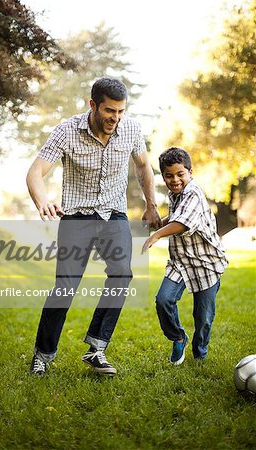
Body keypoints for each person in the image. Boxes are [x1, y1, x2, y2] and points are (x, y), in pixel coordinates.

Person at [27, 77, 161, 376]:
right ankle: (43, 354)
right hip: (76, 216)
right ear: (93, 105)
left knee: (122, 274)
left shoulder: (131, 129)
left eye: (120, 111)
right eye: (109, 111)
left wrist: (151, 203)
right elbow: (36, 172)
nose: (115, 118)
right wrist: (43, 202)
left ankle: (96, 349)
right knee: (65, 288)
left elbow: (142, 166)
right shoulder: (67, 131)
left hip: (113, 214)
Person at [142, 147, 228, 365]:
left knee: (203, 317)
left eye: (180, 174)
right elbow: (175, 216)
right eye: (169, 175)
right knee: (163, 300)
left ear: (191, 172)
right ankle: (178, 337)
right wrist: (157, 224)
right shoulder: (175, 195)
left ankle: (200, 354)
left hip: (205, 263)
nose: (175, 180)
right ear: (163, 176)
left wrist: (157, 236)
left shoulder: (194, 193)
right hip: (180, 262)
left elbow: (182, 223)